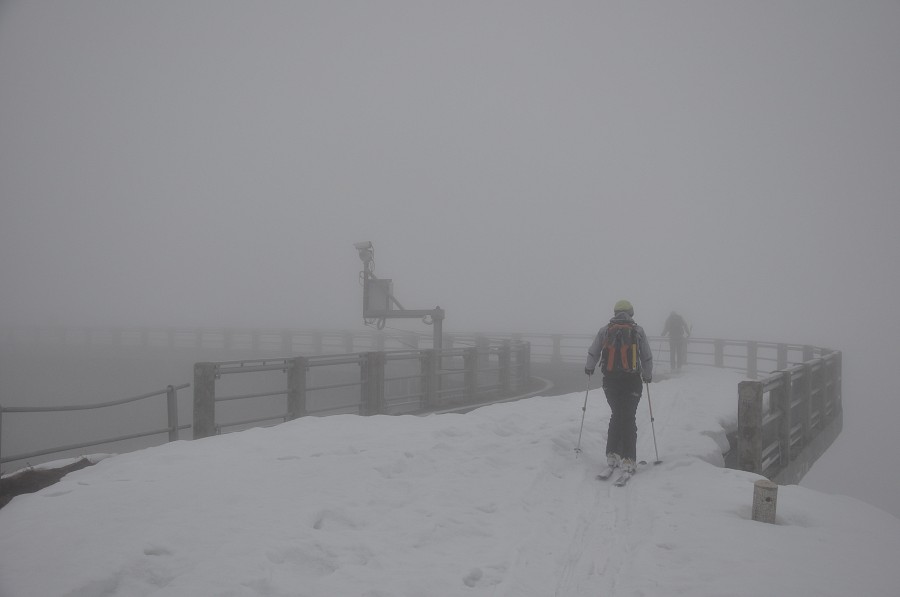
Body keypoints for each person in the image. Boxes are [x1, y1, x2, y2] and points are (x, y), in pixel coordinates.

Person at [584, 299, 653, 475]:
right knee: (628, 417)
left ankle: (612, 454)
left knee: (616, 414)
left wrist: (590, 367)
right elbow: (646, 356)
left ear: (615, 313)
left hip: (610, 380)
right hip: (632, 380)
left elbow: (594, 351)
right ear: (631, 313)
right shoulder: (637, 330)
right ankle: (629, 458)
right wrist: (647, 375)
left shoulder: (605, 330)